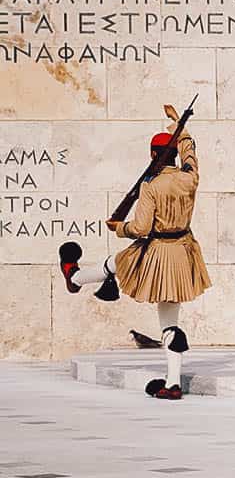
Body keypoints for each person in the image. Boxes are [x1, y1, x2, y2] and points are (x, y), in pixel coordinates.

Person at [57, 104, 210, 399]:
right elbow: (190, 151)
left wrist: (118, 227)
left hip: (156, 250)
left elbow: (140, 228)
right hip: (184, 251)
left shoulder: (150, 186)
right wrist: (178, 124)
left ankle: (74, 277)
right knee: (169, 320)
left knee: (117, 263)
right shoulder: (190, 177)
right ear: (175, 154)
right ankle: (173, 383)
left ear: (153, 155)